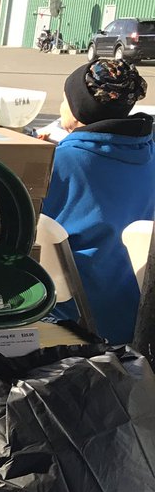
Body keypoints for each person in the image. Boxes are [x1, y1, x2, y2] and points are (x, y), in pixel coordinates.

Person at [41, 59, 154, 344]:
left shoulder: (59, 165)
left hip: (79, 325)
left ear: (79, 108)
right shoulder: (148, 154)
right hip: (141, 321)